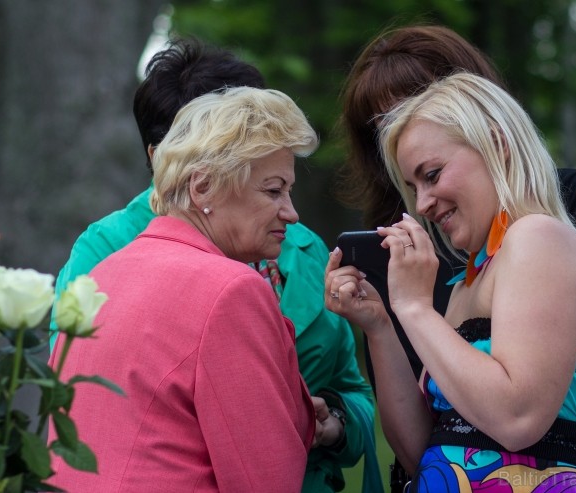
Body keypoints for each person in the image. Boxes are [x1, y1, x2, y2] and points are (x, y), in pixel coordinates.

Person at [337, 25, 576, 493]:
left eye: (432, 175)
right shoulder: (469, 278)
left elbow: (517, 418)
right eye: (414, 187)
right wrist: (381, 327)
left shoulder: (539, 237)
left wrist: (412, 309)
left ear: (496, 142)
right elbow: (421, 446)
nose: (422, 203)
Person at [50, 39, 381, 493]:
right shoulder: (230, 287)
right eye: (272, 190)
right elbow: (265, 479)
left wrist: (334, 422)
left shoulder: (111, 271)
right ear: (202, 186)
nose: (292, 212)